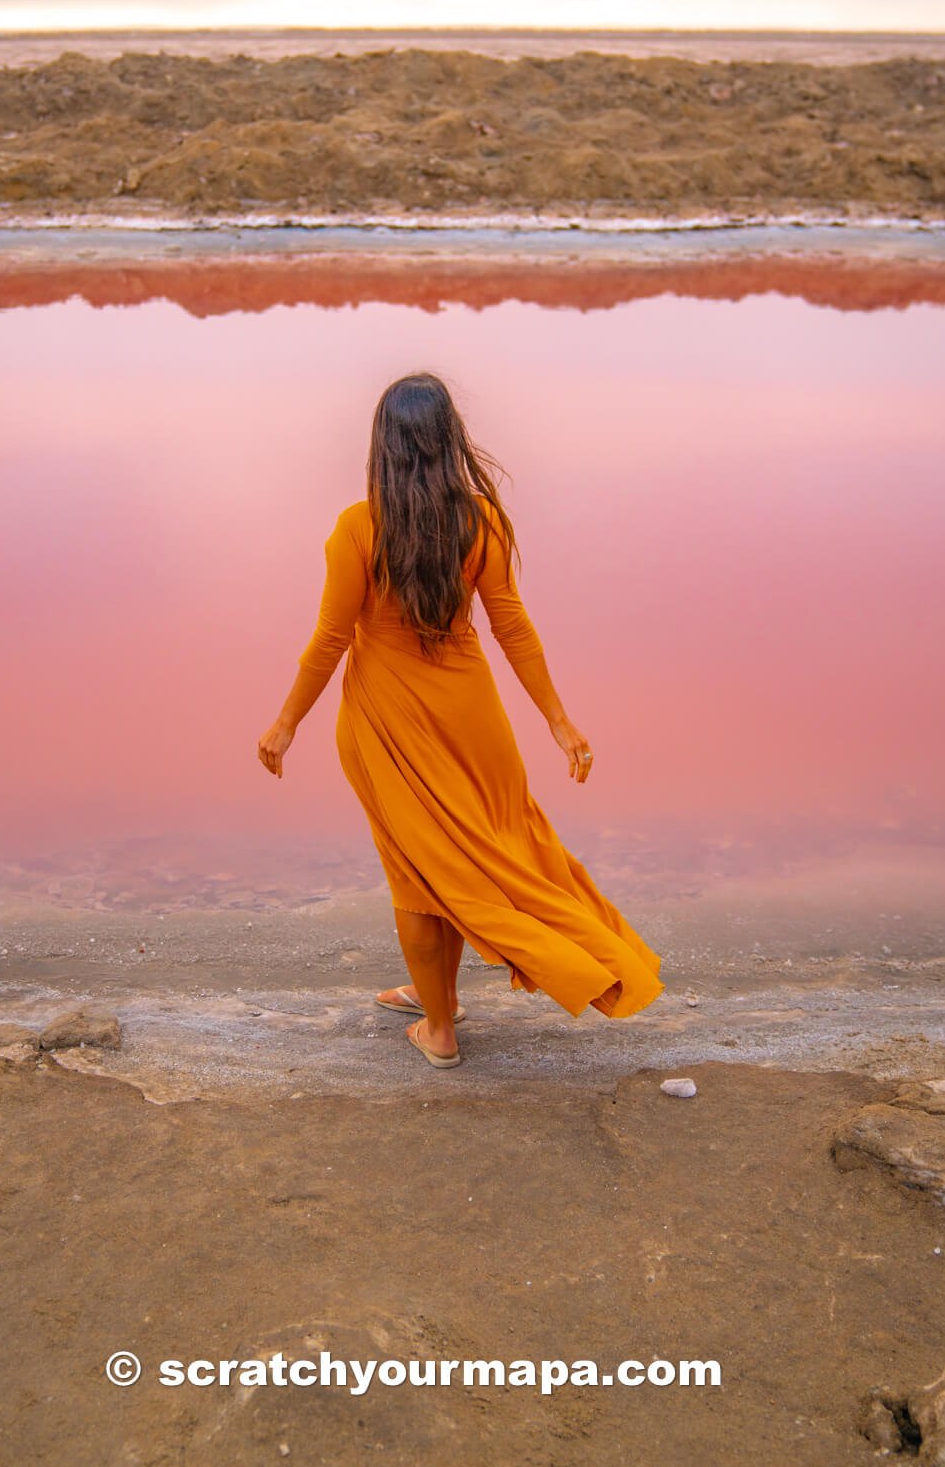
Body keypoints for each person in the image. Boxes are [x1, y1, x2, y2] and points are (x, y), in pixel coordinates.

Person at [257, 371, 664, 1069]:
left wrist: (285, 722)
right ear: (451, 442)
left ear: (382, 446)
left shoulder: (358, 529)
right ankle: (432, 992)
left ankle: (440, 1029)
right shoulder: (483, 523)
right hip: (475, 721)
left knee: (418, 869)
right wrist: (559, 722)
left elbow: (330, 639)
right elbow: (513, 627)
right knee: (494, 855)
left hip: (387, 722)